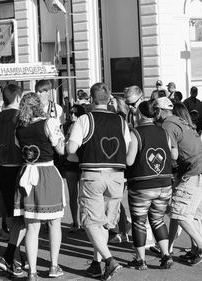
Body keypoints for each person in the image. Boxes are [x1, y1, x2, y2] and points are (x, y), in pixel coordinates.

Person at [67, 82, 130, 280]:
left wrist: (80, 157)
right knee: (103, 221)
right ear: (109, 98)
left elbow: (71, 149)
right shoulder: (121, 121)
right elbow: (126, 147)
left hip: (93, 174)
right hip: (117, 175)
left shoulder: (85, 119)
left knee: (91, 221)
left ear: (91, 100)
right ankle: (97, 263)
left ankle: (109, 260)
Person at [155, 97, 202, 266]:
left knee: (178, 212)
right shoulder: (182, 121)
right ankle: (196, 249)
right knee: (193, 215)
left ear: (161, 111)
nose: (155, 114)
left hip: (196, 172)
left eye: (156, 110)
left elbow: (174, 154)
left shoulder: (167, 124)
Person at [14, 92, 66, 281]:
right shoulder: (49, 122)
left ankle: (33, 272)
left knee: (32, 226)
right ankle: (53, 266)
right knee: (54, 222)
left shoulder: (19, 128)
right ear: (39, 106)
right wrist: (62, 139)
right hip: (47, 173)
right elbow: (61, 149)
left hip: (27, 174)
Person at [125, 100, 176, 270]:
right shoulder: (164, 132)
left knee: (139, 221)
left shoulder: (136, 133)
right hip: (164, 184)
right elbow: (173, 155)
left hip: (142, 184)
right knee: (158, 219)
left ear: (139, 114)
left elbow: (129, 160)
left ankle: (141, 260)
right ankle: (166, 255)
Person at [0, 84, 27, 277]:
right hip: (17, 168)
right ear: (19, 98)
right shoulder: (19, 117)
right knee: (22, 217)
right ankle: (11, 256)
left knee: (12, 217)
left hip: (0, 169)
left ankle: (16, 259)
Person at [63, 104, 86, 233]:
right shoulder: (66, 126)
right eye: (71, 113)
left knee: (83, 195)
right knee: (72, 193)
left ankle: (83, 221)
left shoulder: (84, 124)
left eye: (75, 113)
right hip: (70, 162)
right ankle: (75, 221)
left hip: (82, 162)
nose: (72, 115)